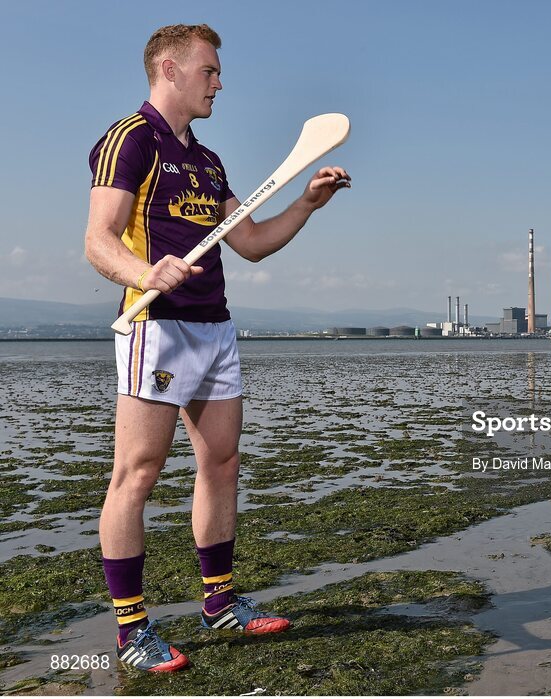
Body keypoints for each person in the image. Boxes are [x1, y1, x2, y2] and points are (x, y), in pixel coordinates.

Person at [84, 24, 351, 672]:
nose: (219, 82)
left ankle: (219, 603)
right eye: (209, 71)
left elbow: (252, 240)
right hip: (159, 325)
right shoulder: (131, 140)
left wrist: (308, 205)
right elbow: (99, 240)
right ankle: (131, 631)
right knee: (138, 472)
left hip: (214, 328)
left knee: (223, 464)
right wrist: (146, 273)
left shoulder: (208, 162)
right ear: (169, 69)